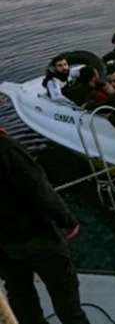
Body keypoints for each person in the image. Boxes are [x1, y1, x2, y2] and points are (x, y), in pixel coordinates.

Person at [0, 127, 90, 324]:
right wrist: (66, 220)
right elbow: (38, 189)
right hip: (33, 234)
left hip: (3, 243)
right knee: (63, 289)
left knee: (18, 290)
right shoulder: (6, 147)